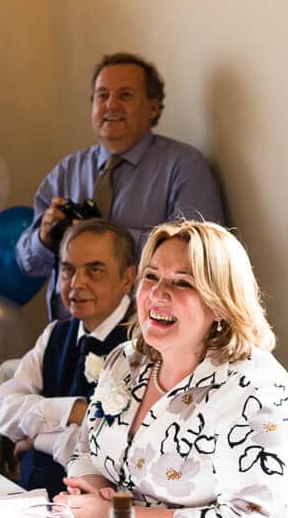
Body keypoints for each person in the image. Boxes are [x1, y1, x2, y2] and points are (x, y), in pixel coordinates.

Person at [55, 221, 288, 518]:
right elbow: (86, 448)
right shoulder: (126, 362)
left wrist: (115, 516)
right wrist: (91, 491)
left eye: (183, 282)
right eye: (151, 277)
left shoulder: (255, 388)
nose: (158, 294)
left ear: (220, 302)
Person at [15, 52, 225, 320]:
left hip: (145, 334)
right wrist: (44, 239)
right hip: (71, 336)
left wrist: (114, 241)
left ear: (153, 107)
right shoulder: (67, 171)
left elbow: (197, 256)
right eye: (102, 96)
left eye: (125, 95)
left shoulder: (184, 168)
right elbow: (26, 263)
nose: (111, 105)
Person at [0, 220, 134, 496]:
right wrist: (74, 411)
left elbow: (114, 445)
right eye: (68, 270)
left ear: (127, 278)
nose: (77, 283)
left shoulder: (140, 341)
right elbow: (3, 407)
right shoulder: (55, 334)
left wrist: (37, 440)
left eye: (95, 270)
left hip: (96, 513)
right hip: (29, 499)